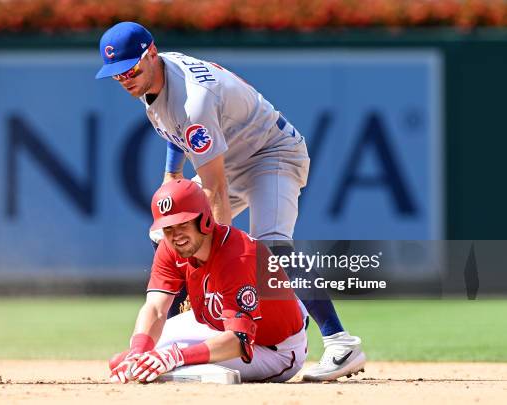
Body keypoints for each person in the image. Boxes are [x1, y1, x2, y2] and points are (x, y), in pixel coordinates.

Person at [96, 21, 365, 381]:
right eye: (116, 75)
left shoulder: (195, 100)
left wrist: (222, 258)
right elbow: (176, 131)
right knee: (173, 233)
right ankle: (173, 342)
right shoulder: (159, 77)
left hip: (271, 153)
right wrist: (171, 178)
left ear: (152, 53)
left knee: (269, 251)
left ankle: (339, 341)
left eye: (131, 69)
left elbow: (215, 190)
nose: (125, 79)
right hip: (231, 157)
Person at [109, 179, 308, 383]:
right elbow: (156, 308)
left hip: (275, 349)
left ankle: (190, 368)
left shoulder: (239, 256)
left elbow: (240, 341)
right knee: (139, 359)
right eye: (168, 228)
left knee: (171, 360)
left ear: (204, 219)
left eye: (183, 224)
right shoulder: (169, 248)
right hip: (222, 327)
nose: (176, 235)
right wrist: (138, 351)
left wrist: (178, 356)